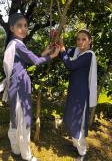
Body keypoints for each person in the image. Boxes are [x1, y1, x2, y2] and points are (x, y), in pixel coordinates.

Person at [0, 13, 60, 161]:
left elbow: (30, 59)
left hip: (16, 85)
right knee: (23, 120)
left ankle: (15, 148)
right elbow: (36, 61)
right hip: (20, 86)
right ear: (12, 28)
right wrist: (52, 56)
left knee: (15, 118)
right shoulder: (18, 45)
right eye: (19, 26)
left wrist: (45, 53)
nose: (24, 29)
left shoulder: (14, 44)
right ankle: (26, 156)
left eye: (26, 26)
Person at [59, 30, 97, 158]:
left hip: (80, 95)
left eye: (84, 39)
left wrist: (63, 50)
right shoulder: (76, 51)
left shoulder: (88, 55)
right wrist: (58, 41)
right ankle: (77, 145)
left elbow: (70, 64)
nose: (80, 42)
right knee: (71, 118)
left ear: (90, 41)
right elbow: (62, 52)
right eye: (78, 39)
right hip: (73, 92)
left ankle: (82, 153)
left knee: (78, 122)